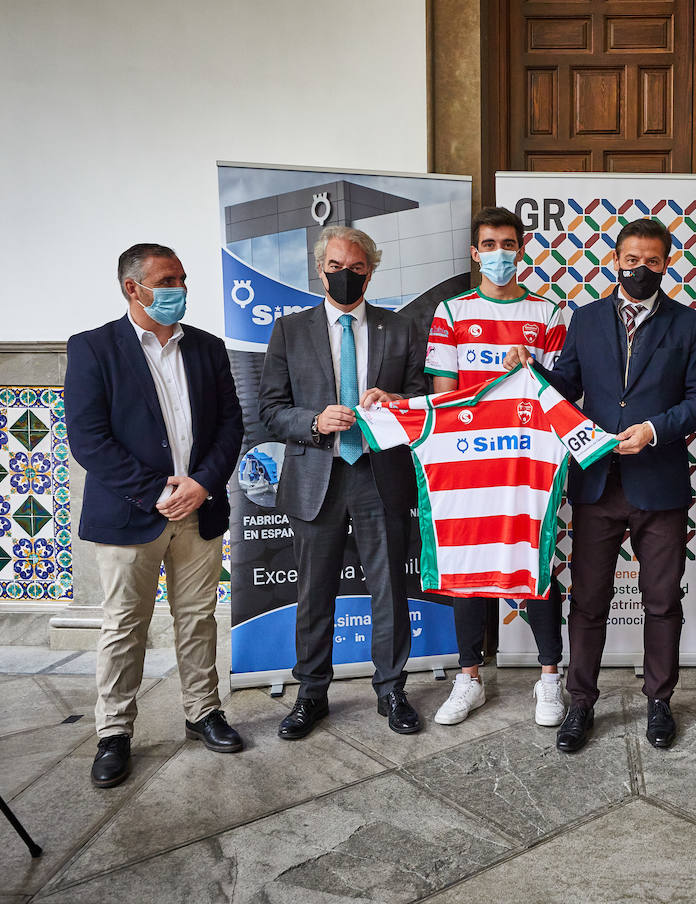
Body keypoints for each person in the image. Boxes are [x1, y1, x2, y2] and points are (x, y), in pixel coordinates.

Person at [505, 217, 696, 753]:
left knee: (663, 600)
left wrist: (654, 430)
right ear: (613, 261)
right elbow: (569, 386)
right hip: (596, 482)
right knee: (590, 602)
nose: (640, 269)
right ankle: (580, 703)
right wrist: (531, 369)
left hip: (660, 484)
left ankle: (659, 702)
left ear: (668, 264)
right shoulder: (587, 319)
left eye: (651, 261)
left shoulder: (689, 326)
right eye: (631, 259)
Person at [66, 243, 244, 788]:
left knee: (197, 619)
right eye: (168, 281)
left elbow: (230, 427)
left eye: (183, 280)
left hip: (199, 510)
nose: (180, 290)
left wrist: (201, 485)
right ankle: (114, 733)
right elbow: (88, 440)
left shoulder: (208, 349)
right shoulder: (94, 348)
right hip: (129, 516)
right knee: (125, 626)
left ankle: (203, 713)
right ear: (133, 288)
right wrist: (155, 492)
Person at [259, 225, 428, 740]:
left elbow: (421, 400)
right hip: (318, 476)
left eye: (357, 268)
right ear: (320, 269)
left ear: (371, 271)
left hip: (380, 477)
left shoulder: (398, 329)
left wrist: (396, 404)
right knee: (314, 593)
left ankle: (392, 689)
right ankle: (311, 694)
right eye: (336, 267)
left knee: (389, 591)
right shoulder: (290, 331)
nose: (346, 276)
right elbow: (269, 410)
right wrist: (313, 422)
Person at [424, 206, 570, 727]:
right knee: (467, 566)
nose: (499, 254)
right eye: (489, 244)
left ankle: (550, 677)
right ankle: (469, 678)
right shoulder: (451, 311)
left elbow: (559, 392)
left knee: (537, 563)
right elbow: (444, 397)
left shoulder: (549, 313)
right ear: (474, 251)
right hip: (468, 460)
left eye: (508, 244)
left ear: (522, 247)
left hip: (528, 462)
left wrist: (529, 371)